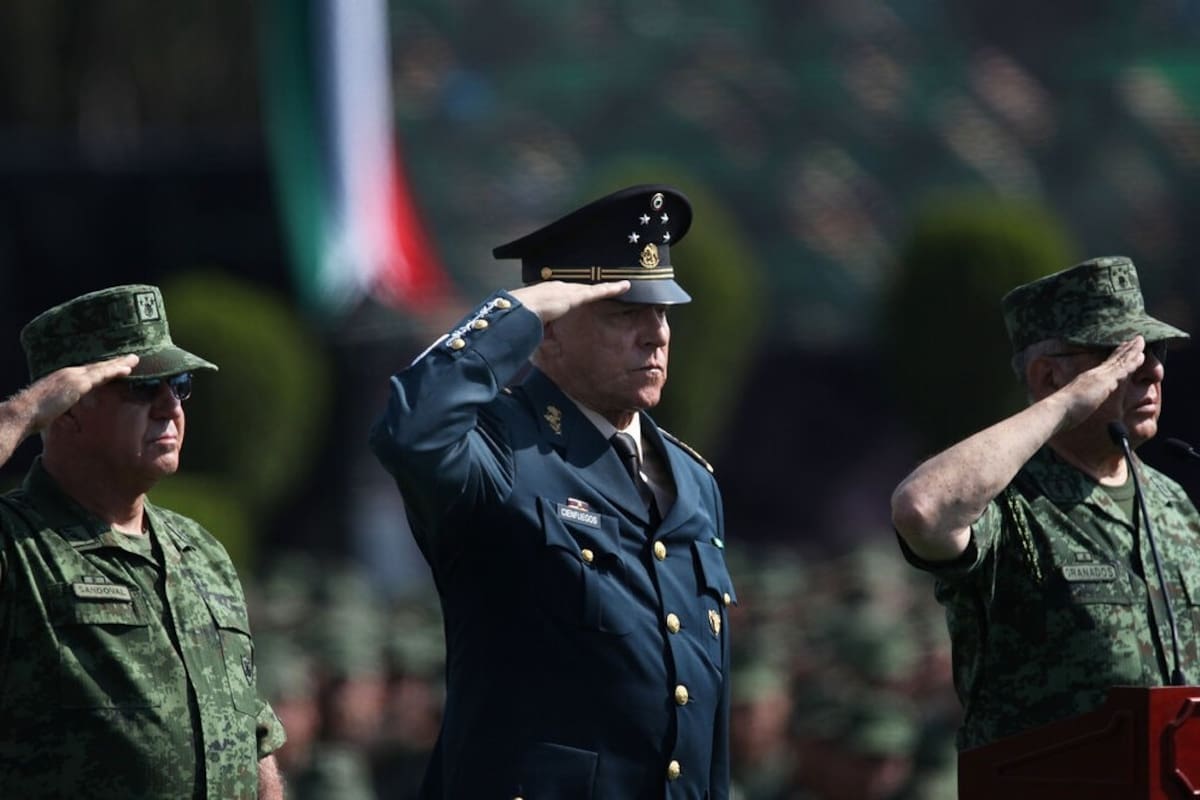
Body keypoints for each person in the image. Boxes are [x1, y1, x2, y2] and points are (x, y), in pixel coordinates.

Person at [369, 184, 737, 798]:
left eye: (664, 311)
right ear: (553, 331)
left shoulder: (692, 478)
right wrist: (514, 312)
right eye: (625, 313)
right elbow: (409, 432)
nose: (657, 334)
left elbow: (704, 721)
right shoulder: (501, 447)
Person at [890, 255, 1198, 751]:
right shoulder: (1007, 501)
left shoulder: (1174, 505)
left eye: (1156, 351)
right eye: (1123, 355)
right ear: (1049, 377)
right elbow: (921, 507)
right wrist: (1064, 408)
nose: (1154, 371)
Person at [0, 285, 286, 798]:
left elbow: (251, 736)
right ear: (68, 407)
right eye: (141, 387)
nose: (169, 406)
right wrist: (24, 411)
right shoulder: (17, 545)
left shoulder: (201, 552)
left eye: (179, 385)